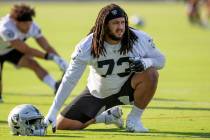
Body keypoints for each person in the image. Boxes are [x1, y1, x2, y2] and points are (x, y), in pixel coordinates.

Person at [44, 3, 165, 133]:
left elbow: (161, 60)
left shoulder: (138, 38)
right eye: (115, 23)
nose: (120, 27)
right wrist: (53, 110)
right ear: (105, 25)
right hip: (98, 93)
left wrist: (145, 63)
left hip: (128, 89)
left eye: (122, 22)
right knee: (63, 124)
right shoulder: (87, 46)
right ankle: (108, 117)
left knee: (151, 73)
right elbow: (70, 79)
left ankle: (134, 120)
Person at [0, 4, 68, 102]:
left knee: (33, 64)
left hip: (10, 49)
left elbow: (46, 46)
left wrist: (60, 60)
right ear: (16, 22)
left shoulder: (33, 26)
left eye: (29, 23)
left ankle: (56, 87)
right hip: (13, 47)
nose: (28, 27)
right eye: (25, 24)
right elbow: (26, 49)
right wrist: (51, 57)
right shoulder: (6, 28)